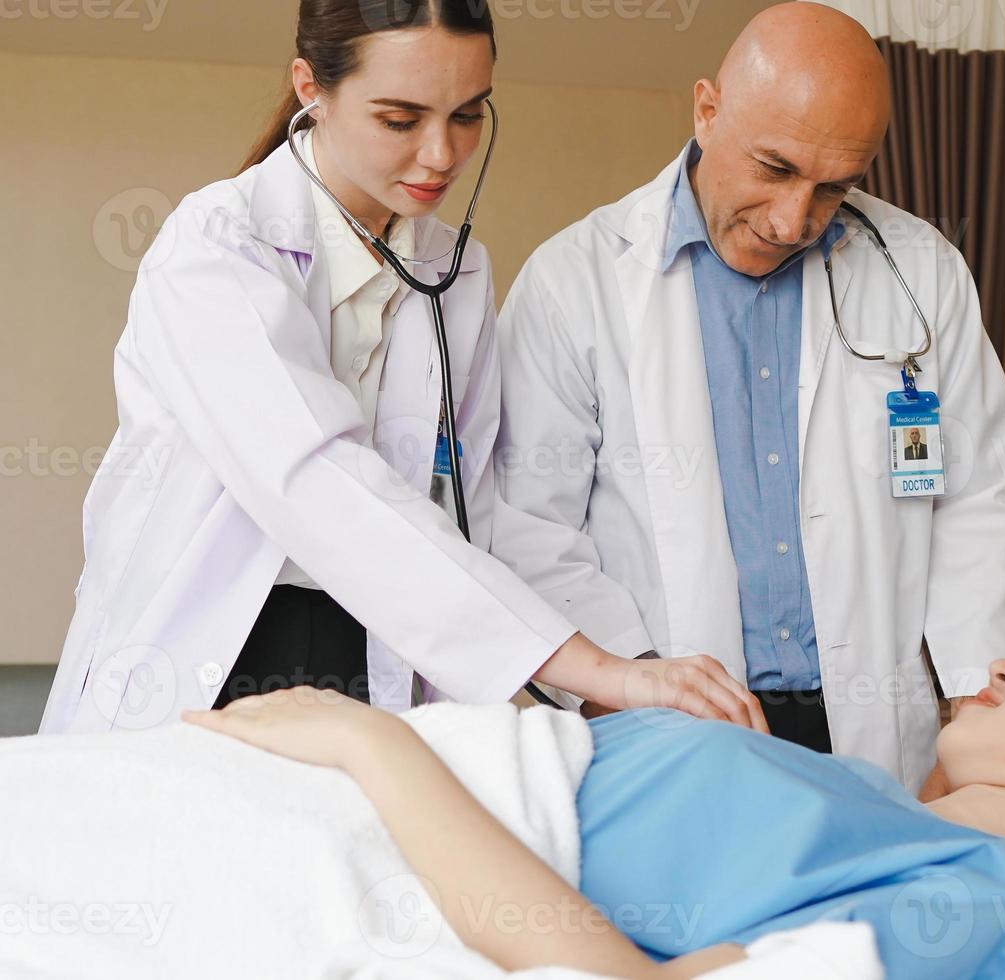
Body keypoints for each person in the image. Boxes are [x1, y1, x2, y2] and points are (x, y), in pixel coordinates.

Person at [39, 0, 765, 737]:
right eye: (400, 119)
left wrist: (624, 675)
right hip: (209, 657)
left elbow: (474, 514)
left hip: (376, 654)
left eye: (467, 115)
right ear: (309, 89)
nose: (442, 154)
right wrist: (596, 669)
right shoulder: (217, 246)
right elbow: (320, 485)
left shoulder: (458, 273)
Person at [489, 1, 1005, 789]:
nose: (793, 221)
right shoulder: (574, 279)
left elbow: (980, 493)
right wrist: (631, 681)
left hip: (875, 720)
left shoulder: (920, 267)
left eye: (832, 188)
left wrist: (978, 700)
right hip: (670, 720)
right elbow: (529, 521)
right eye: (774, 169)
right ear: (707, 110)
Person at [165, 632, 1005, 978]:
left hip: (361, 811)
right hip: (320, 782)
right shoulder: (871, 795)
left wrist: (374, 743)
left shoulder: (997, 900)